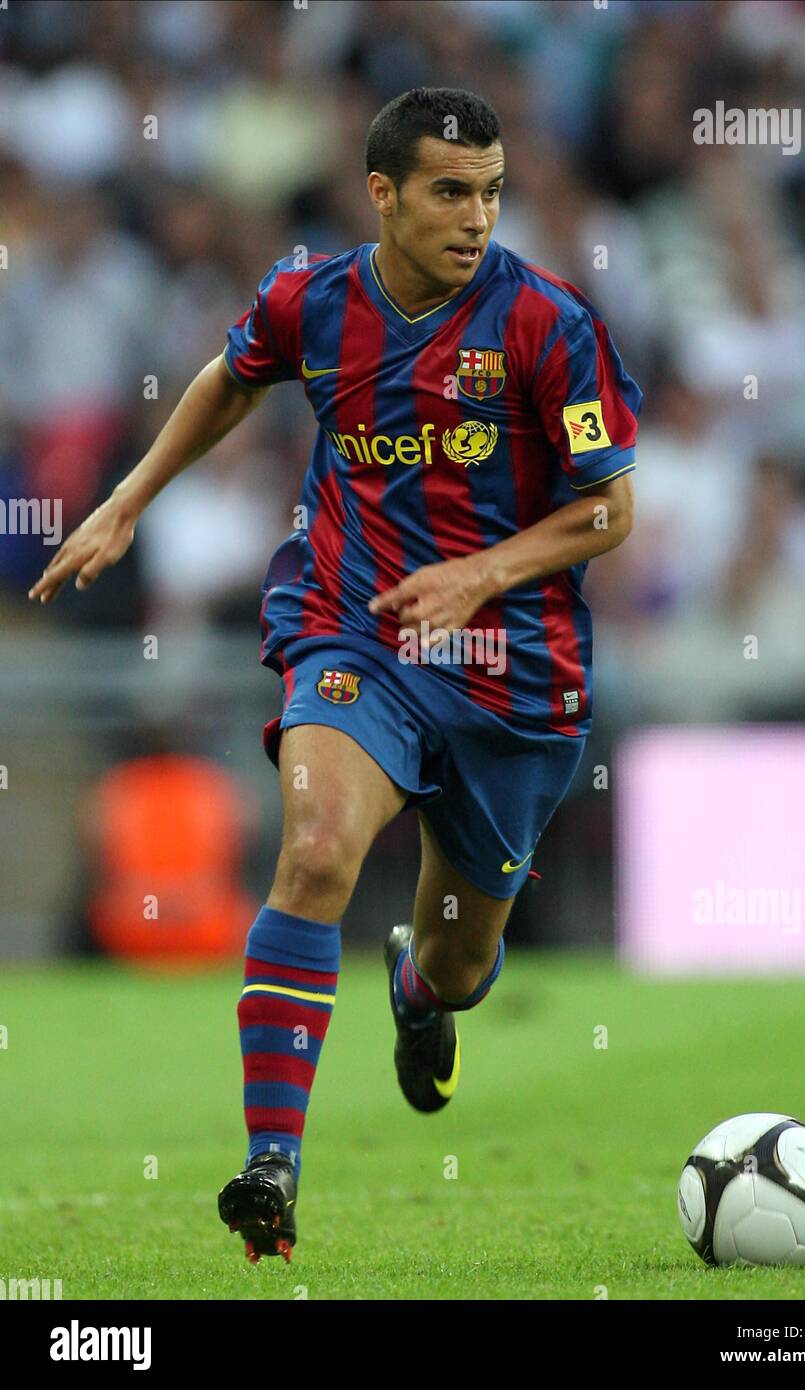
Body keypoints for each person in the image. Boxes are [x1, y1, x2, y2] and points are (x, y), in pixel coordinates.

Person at [28, 87, 642, 1264]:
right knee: (312, 852)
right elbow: (226, 376)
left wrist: (479, 576)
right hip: (354, 631)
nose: (476, 216)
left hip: (512, 674)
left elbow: (607, 509)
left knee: (462, 963)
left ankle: (417, 994)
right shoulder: (311, 302)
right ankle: (274, 1165)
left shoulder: (547, 323)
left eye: (490, 192)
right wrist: (124, 501)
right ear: (383, 195)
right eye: (450, 191)